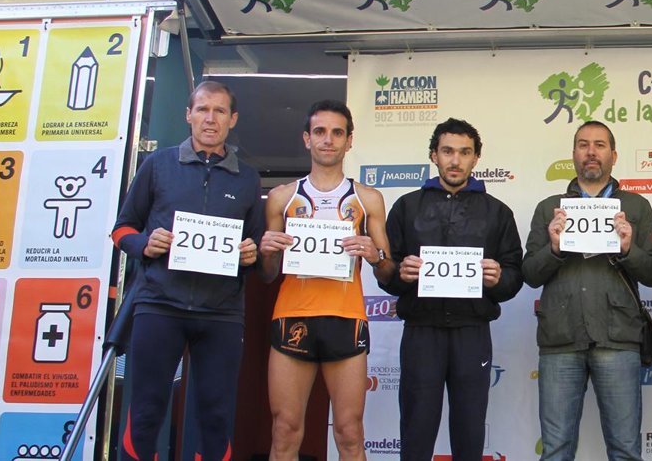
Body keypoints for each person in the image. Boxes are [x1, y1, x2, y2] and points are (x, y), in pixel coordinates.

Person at [111, 81, 264, 461]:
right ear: (188, 115)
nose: (210, 119)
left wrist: (251, 253)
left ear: (232, 119)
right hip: (159, 305)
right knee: (146, 412)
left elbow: (257, 245)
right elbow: (122, 229)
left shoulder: (247, 178)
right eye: (202, 109)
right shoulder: (157, 164)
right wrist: (145, 243)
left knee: (216, 417)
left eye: (219, 111)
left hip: (221, 313)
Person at [258, 100, 394, 461]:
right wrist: (267, 252)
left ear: (349, 140)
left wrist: (375, 255)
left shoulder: (368, 199)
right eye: (319, 132)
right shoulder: (281, 197)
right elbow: (267, 274)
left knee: (349, 433)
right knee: (285, 430)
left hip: (346, 318)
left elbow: (388, 272)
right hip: (292, 316)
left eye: (337, 133)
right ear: (307, 139)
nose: (328, 140)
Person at [382, 118, 524, 461]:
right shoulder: (406, 206)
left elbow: (515, 275)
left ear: (476, 158)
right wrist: (401, 273)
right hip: (421, 331)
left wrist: (498, 279)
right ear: (434, 155)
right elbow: (386, 273)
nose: (455, 160)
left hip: (472, 332)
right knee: (416, 430)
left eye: (464, 152)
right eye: (447, 151)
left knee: (469, 431)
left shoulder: (497, 212)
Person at [523, 121, 652, 461]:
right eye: (583, 144)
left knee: (625, 450)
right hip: (560, 339)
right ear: (573, 153)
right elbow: (529, 274)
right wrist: (554, 248)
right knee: (555, 450)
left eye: (600, 145)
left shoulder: (636, 206)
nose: (591, 152)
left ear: (613, 155)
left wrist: (628, 248)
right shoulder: (549, 207)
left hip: (618, 337)